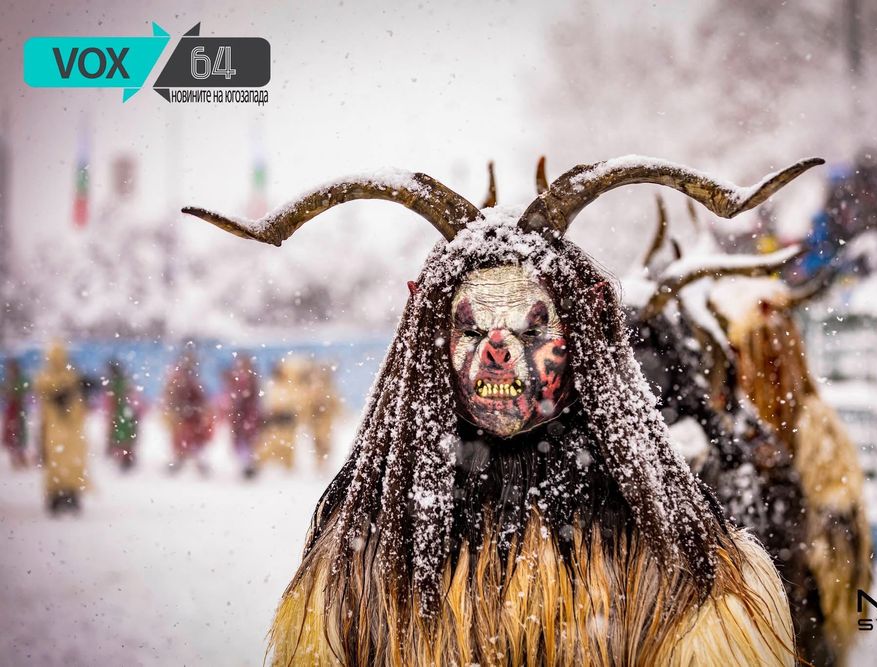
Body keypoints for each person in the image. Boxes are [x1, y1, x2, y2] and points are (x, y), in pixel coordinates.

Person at [185, 154, 821, 665]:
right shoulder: (359, 560)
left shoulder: (686, 566)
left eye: (530, 327)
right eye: (472, 327)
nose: (495, 353)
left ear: (581, 345)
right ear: (433, 343)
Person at [35, 342, 88, 514]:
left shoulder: (70, 377)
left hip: (67, 429)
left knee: (67, 463)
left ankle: (69, 494)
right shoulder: (49, 378)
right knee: (58, 463)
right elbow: (46, 401)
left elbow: (78, 405)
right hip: (57, 429)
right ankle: (58, 495)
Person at [163, 349, 213, 474]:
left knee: (192, 440)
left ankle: (195, 463)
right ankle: (182, 461)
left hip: (192, 415)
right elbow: (172, 396)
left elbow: (200, 398)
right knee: (184, 439)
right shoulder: (180, 379)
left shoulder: (193, 382)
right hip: (184, 415)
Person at [256, 358, 304, 471]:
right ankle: (260, 466)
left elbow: (296, 402)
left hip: (287, 420)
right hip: (275, 421)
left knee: (287, 447)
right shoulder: (271, 385)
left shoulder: (291, 385)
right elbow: (268, 404)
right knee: (270, 445)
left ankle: (288, 469)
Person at [224, 353, 262, 478]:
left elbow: (249, 396)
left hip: (248, 414)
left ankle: (249, 464)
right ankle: (245, 464)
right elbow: (234, 395)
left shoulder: (251, 378)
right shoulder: (238, 378)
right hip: (241, 415)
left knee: (249, 439)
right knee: (240, 440)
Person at [303, 361, 342, 470]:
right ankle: (319, 462)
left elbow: (336, 404)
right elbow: (307, 405)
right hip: (316, 420)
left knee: (326, 442)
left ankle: (324, 461)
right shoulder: (312, 389)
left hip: (326, 420)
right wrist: (306, 418)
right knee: (317, 442)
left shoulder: (329, 389)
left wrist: (339, 413)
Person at [105, 359, 141, 471]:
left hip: (122, 414)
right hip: (126, 414)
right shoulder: (124, 382)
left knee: (122, 437)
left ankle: (125, 459)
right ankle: (126, 458)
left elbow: (114, 400)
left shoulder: (118, 383)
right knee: (126, 437)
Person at [2, 358, 30, 469]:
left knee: (20, 435)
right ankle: (15, 459)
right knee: (11, 434)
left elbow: (25, 392)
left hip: (19, 410)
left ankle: (21, 458)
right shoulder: (9, 380)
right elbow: (6, 393)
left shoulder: (21, 380)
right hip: (11, 410)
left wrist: (15, 394)